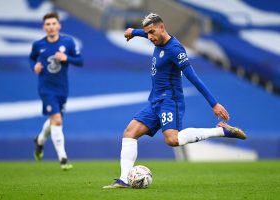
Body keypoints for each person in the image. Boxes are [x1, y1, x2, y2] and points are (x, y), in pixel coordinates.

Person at [103, 13, 246, 188]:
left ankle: (222, 132)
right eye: (147, 33)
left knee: (172, 140)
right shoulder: (155, 37)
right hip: (155, 101)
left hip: (170, 101)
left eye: (152, 32)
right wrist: (133, 32)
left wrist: (214, 103)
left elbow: (194, 78)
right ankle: (124, 179)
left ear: (162, 28)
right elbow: (145, 32)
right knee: (129, 133)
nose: (149, 37)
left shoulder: (175, 50)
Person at [29, 12, 84, 170]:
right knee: (57, 120)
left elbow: (80, 61)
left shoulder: (68, 42)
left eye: (54, 24)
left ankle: (39, 141)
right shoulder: (38, 45)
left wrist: (67, 58)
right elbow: (32, 58)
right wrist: (34, 66)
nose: (51, 27)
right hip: (46, 88)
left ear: (59, 25)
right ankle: (63, 159)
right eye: (48, 24)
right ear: (44, 27)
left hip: (62, 89)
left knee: (54, 121)